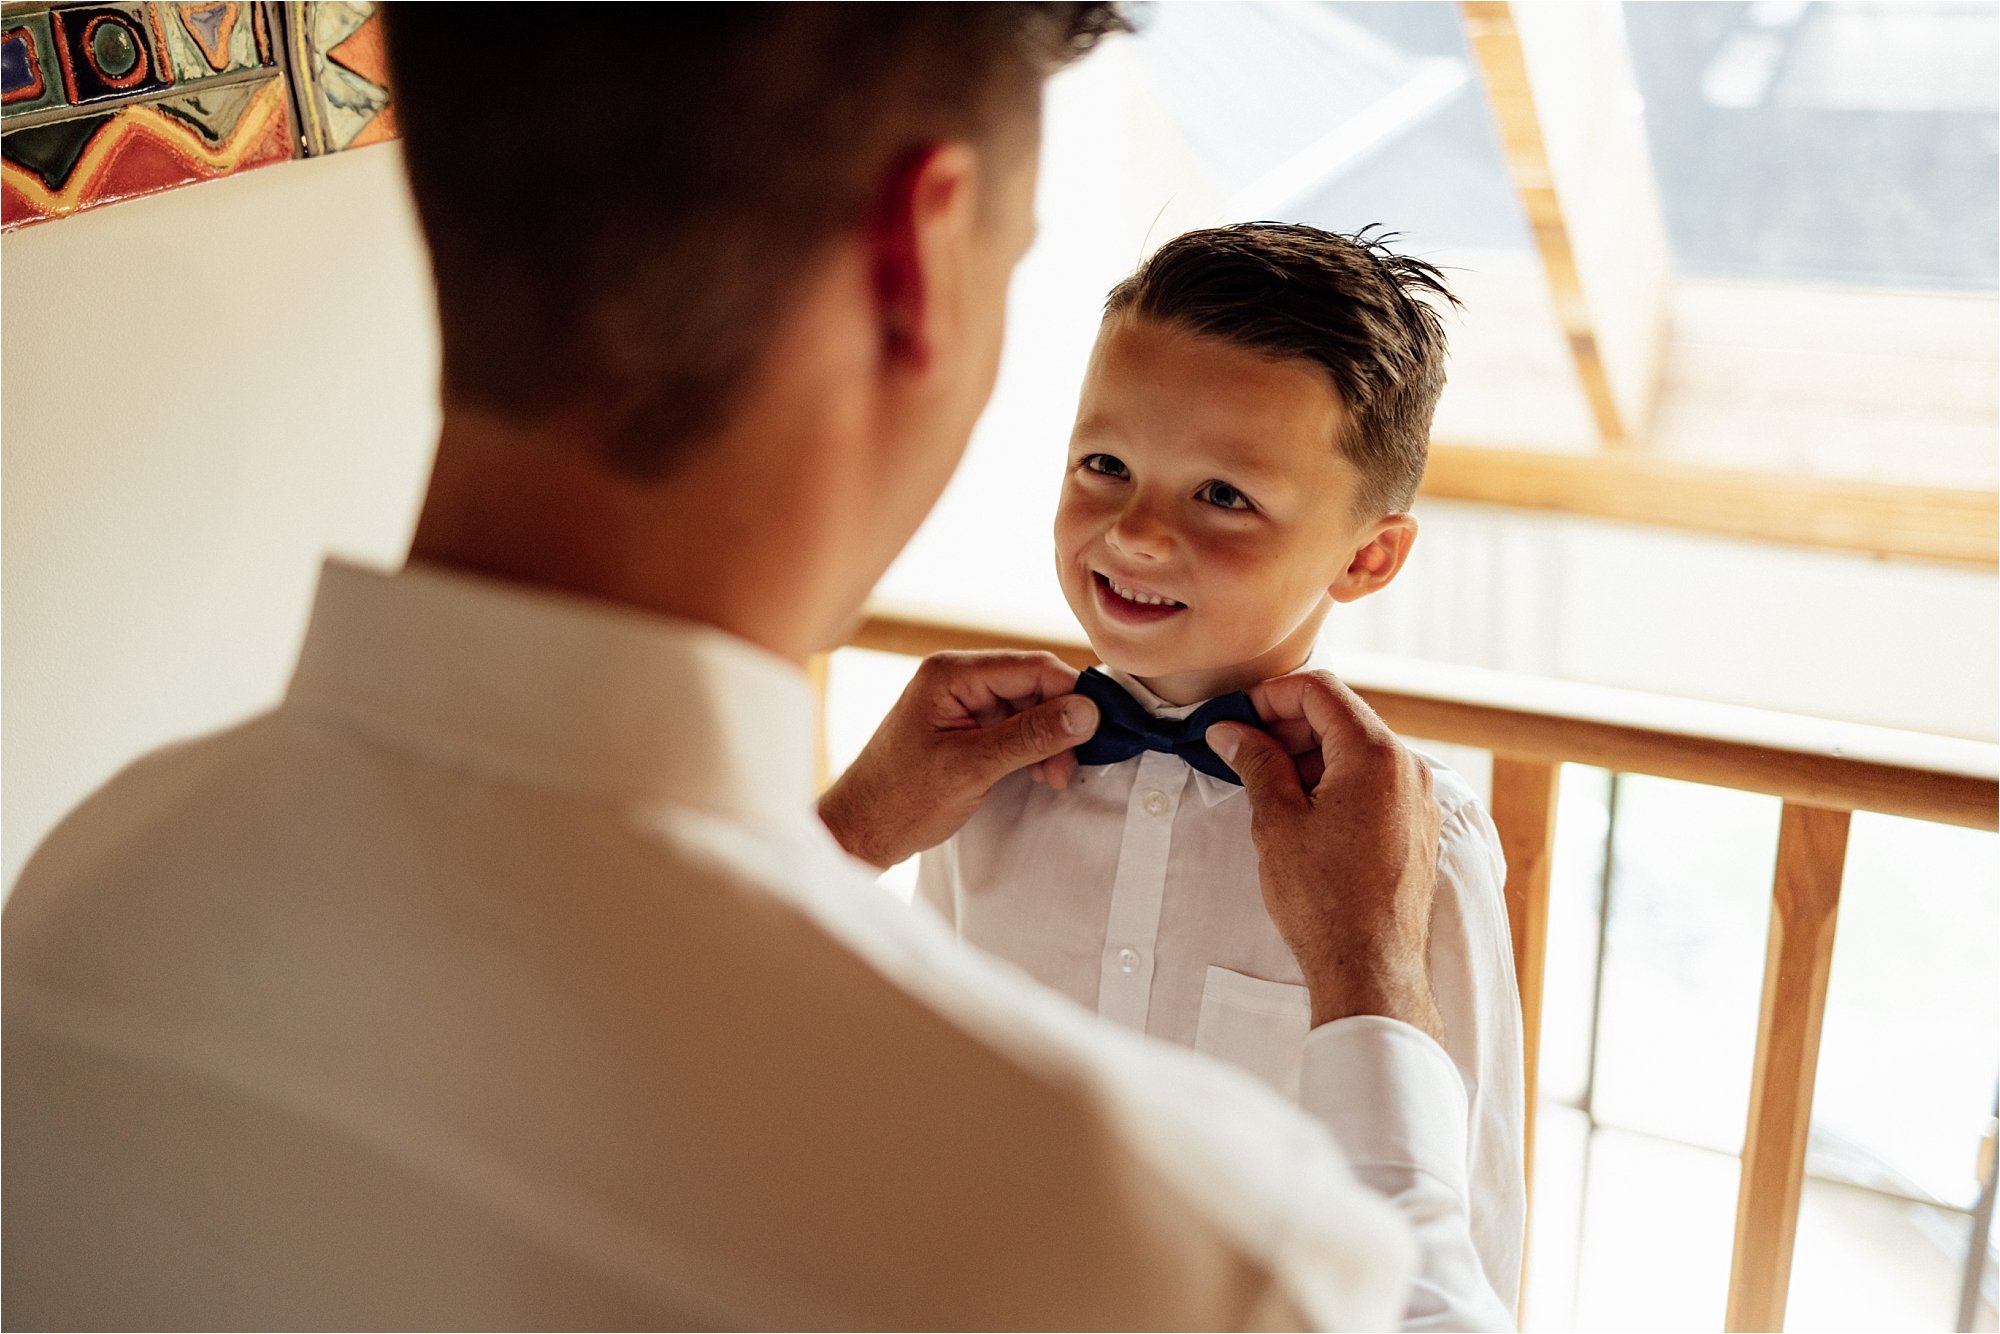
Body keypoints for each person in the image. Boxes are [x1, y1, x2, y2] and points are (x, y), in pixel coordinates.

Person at [3, 7, 1510, 1330]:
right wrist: (1371, 981)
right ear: (921, 256)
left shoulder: (81, 903)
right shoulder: (1175, 1246)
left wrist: (834, 838)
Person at [911, 222, 1526, 1309]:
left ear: (1366, 555)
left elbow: (1463, 1213)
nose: (1136, 534)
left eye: (1222, 494)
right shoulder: (969, 785)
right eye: (1105, 465)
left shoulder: (1415, 847)